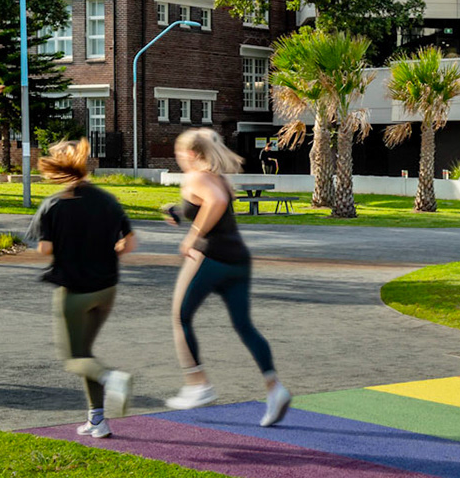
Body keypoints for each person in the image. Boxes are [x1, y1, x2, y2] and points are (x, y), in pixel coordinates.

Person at [161, 127, 291, 425]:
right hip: (238, 261)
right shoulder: (218, 177)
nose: (177, 157)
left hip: (211, 258)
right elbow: (212, 204)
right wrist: (178, 212)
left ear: (191, 154)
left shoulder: (196, 177)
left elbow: (216, 203)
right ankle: (275, 388)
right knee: (244, 326)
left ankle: (198, 385)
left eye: (178, 152)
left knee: (181, 318)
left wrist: (192, 236)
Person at [29, 137, 136, 438]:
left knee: (73, 358)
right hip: (106, 289)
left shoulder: (53, 205)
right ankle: (97, 420)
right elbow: (129, 243)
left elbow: (45, 249)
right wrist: (105, 249)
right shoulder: (108, 200)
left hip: (74, 291)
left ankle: (112, 379)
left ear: (55, 171)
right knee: (85, 353)